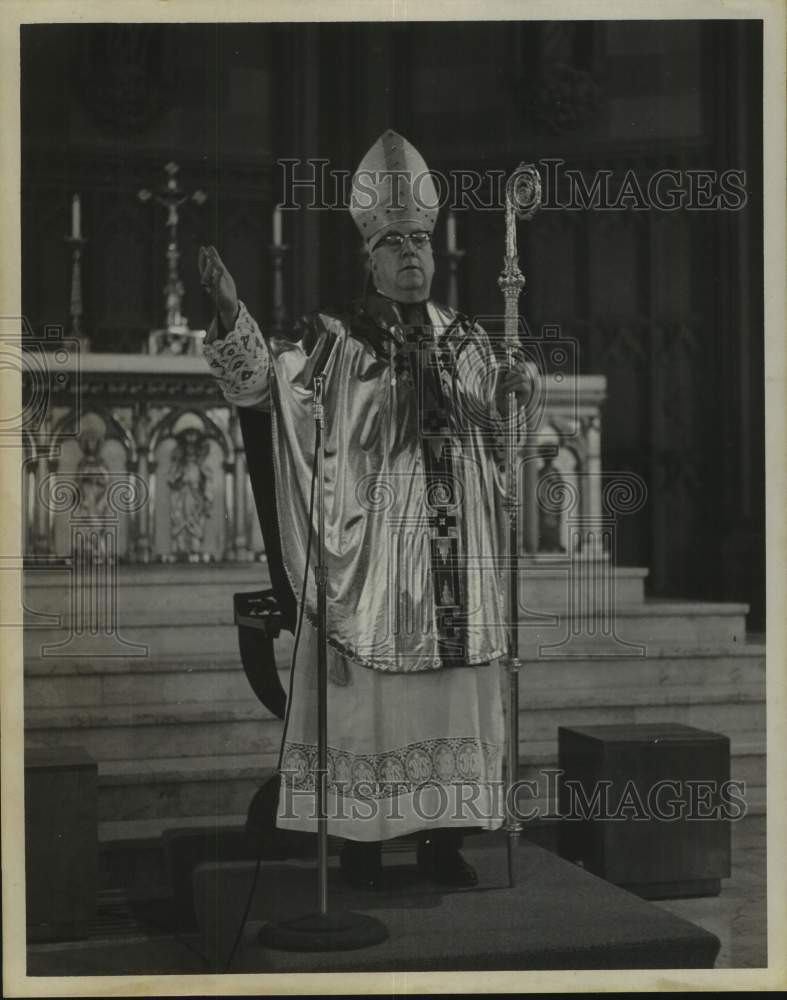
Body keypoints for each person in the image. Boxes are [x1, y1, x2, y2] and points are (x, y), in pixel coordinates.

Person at [199, 130, 529, 890]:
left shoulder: (470, 338)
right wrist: (228, 315)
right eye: (396, 244)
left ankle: (445, 840)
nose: (412, 254)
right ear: (370, 256)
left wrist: (513, 396)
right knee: (374, 705)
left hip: (459, 567)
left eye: (421, 240)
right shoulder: (335, 338)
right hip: (375, 567)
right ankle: (361, 845)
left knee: (455, 698)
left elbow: (498, 439)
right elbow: (263, 392)